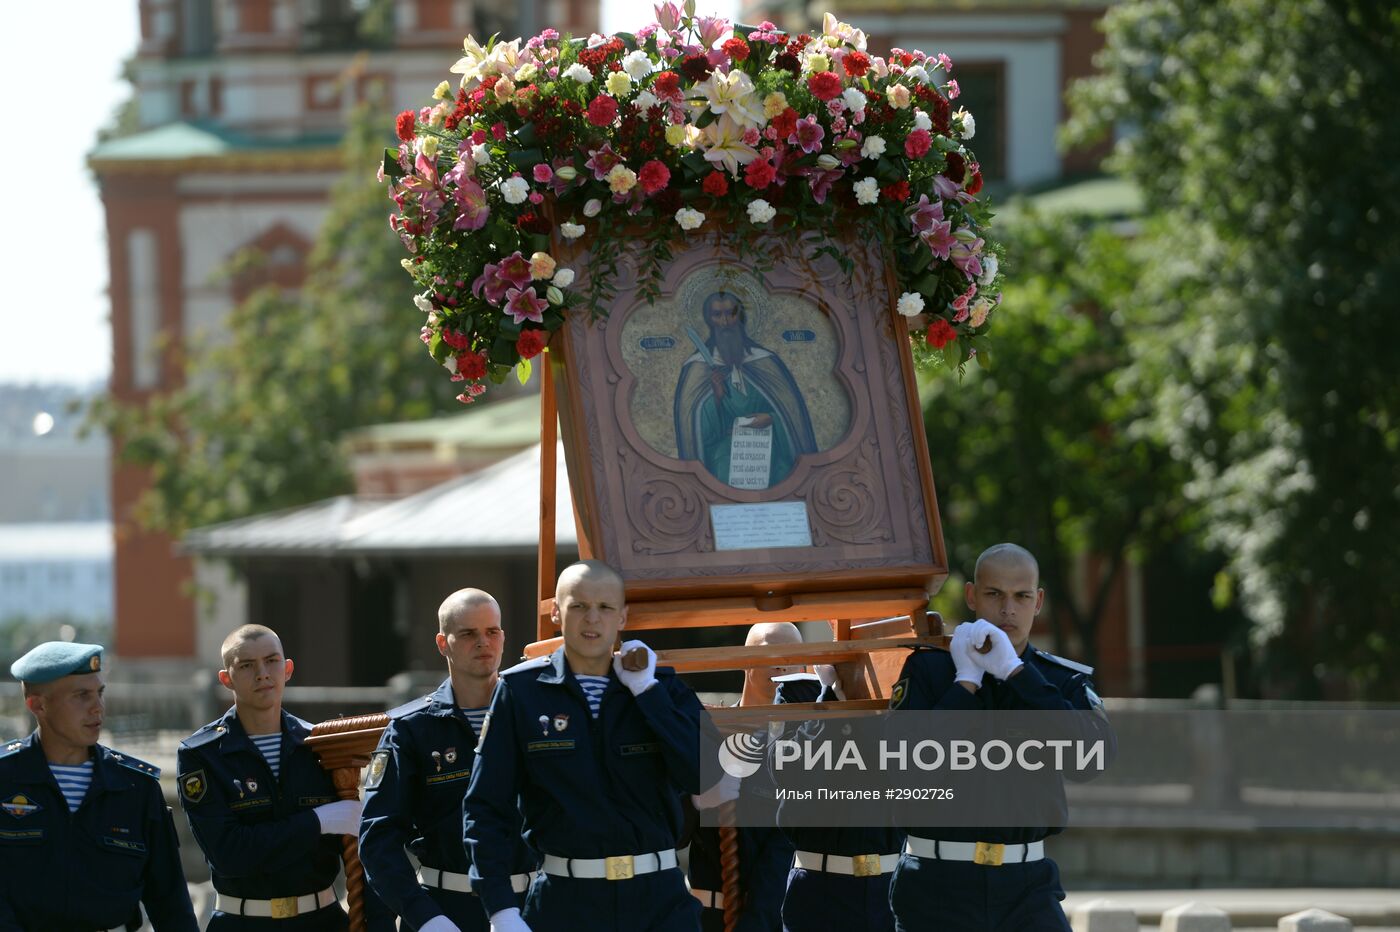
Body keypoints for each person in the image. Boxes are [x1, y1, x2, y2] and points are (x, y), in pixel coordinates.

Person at [463, 560, 703, 932]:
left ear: (623, 617)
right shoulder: (522, 692)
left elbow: (707, 774)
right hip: (564, 904)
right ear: (557, 613)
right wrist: (501, 910)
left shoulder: (661, 688)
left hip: (659, 904)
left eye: (605, 607)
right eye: (578, 606)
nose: (592, 618)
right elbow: (485, 807)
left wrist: (647, 693)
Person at [887, 543, 1115, 932]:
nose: (1008, 609)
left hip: (1027, 889)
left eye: (1021, 596)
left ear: (1038, 600)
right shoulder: (929, 670)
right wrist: (964, 685)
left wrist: (1017, 674)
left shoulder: (1059, 680)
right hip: (937, 885)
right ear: (972, 596)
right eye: (995, 594)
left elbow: (1089, 763)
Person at [177, 624, 383, 930]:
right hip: (242, 922)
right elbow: (229, 854)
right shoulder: (202, 755)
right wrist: (318, 821)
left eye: (271, 661)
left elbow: (364, 859)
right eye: (246, 665)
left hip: (322, 922)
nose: (262, 673)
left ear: (287, 669)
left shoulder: (323, 747)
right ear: (226, 678)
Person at [360, 589, 537, 932]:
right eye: (468, 633)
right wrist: (426, 918)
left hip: (532, 908)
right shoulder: (412, 729)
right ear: (443, 643)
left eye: (492, 632)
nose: (483, 642)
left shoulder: (534, 717)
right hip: (449, 912)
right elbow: (378, 841)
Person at [0, 641, 199, 931]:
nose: (98, 707)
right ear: (38, 705)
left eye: (100, 693)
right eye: (82, 695)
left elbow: (170, 902)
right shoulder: (5, 778)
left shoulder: (135, 786)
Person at [685, 623, 799, 932]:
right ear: (745, 659)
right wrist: (695, 800)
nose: (783, 662)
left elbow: (786, 848)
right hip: (705, 917)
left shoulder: (806, 749)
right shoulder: (706, 733)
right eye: (770, 652)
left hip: (771, 920)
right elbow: (674, 830)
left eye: (794, 655)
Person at [673, 291, 818, 489]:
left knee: (782, 472)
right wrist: (717, 397)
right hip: (726, 447)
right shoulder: (697, 367)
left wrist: (771, 418)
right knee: (724, 468)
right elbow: (697, 431)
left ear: (740, 316)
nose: (724, 322)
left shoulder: (765, 361)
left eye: (731, 313)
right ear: (709, 319)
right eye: (717, 315)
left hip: (768, 443)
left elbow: (791, 413)